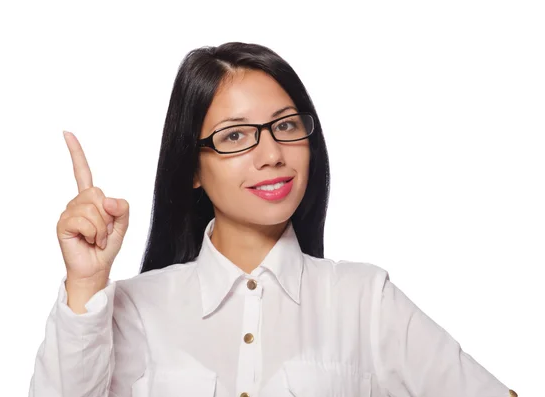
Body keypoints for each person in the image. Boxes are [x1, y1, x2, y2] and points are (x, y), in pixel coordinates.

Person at [29, 42, 516, 397]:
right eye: (236, 135)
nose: (271, 154)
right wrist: (86, 283)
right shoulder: (133, 310)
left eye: (285, 126)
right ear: (193, 168)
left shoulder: (365, 300)